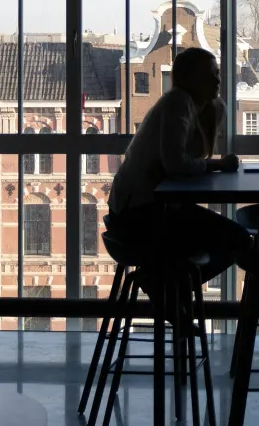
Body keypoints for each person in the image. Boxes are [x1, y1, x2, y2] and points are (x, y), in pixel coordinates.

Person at [107, 47, 250, 282]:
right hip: (141, 214)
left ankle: (171, 291)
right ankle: (164, 284)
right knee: (238, 240)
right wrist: (217, 165)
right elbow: (175, 163)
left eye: (217, 73)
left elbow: (179, 163)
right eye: (210, 74)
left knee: (231, 240)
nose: (217, 79)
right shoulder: (178, 102)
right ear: (188, 78)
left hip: (137, 209)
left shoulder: (201, 107)